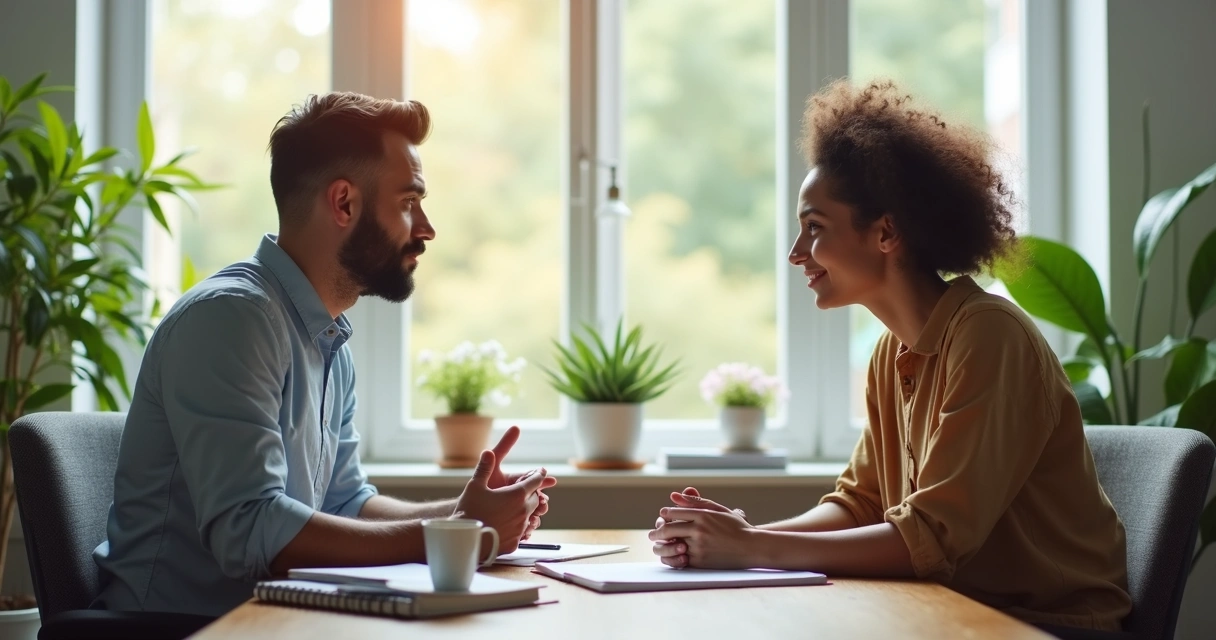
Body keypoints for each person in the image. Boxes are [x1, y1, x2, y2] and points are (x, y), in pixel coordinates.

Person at [649, 80, 1131, 632]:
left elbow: (931, 538)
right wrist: (741, 537)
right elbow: (860, 504)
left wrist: (750, 547)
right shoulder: (889, 354)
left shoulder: (990, 335)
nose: (796, 253)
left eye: (814, 228)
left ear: (886, 232)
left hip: (1045, 626)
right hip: (950, 614)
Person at [93, 92, 556, 618]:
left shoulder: (326, 337)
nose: (426, 228)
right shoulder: (230, 319)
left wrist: (468, 512)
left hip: (280, 621)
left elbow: (344, 503)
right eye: (408, 202)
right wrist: (457, 532)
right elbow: (251, 532)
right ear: (343, 204)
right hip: (183, 628)